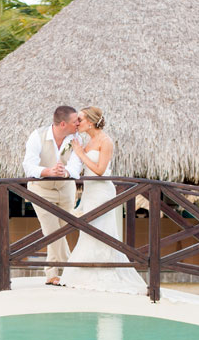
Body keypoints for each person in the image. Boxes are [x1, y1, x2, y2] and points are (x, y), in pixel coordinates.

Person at [59, 106, 147, 293]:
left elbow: (100, 170)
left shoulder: (105, 141)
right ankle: (85, 272)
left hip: (102, 192)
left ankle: (104, 269)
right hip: (89, 192)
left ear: (90, 122)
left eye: (80, 120)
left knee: (102, 230)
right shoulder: (87, 141)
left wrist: (81, 153)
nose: (77, 123)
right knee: (88, 231)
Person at [22, 106, 83, 286]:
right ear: (63, 123)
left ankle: (66, 269)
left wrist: (65, 172)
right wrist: (48, 171)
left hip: (66, 189)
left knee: (63, 229)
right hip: (41, 189)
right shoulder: (37, 136)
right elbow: (28, 166)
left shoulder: (76, 138)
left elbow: (76, 165)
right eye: (75, 121)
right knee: (51, 231)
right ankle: (57, 272)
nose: (78, 124)